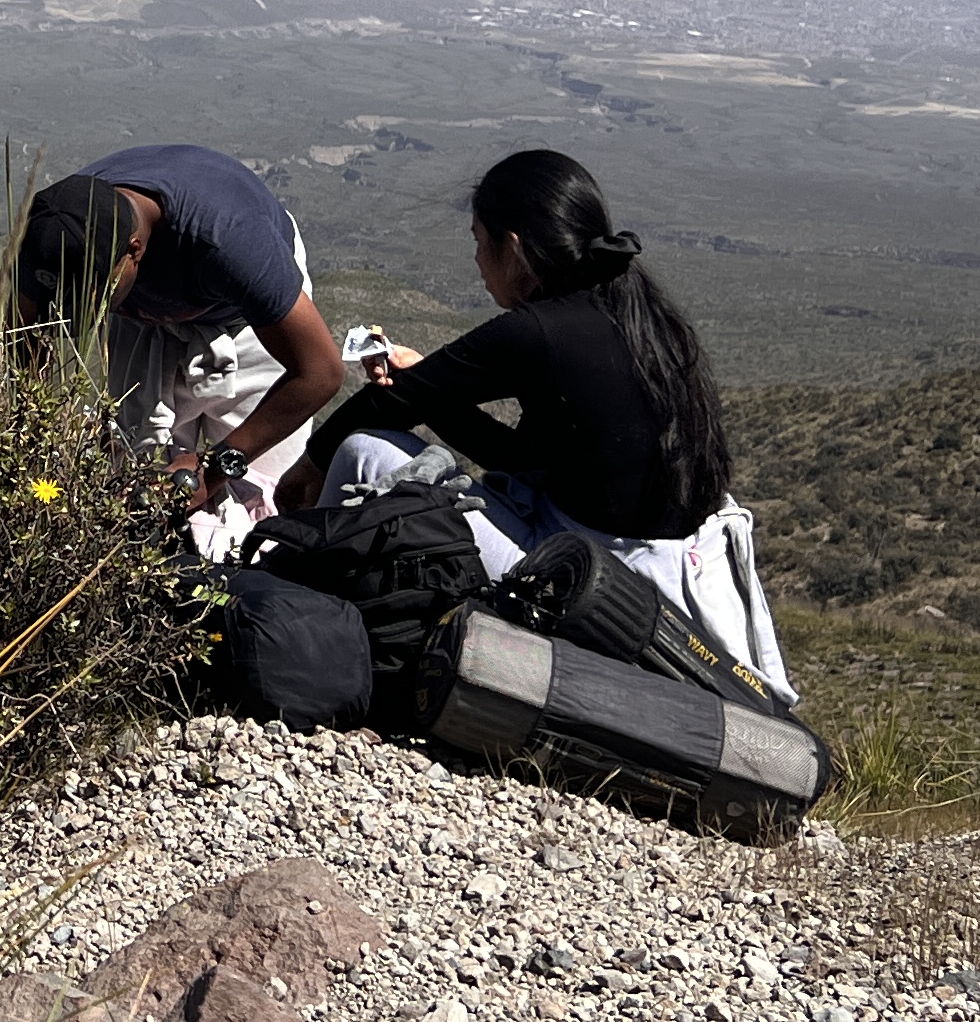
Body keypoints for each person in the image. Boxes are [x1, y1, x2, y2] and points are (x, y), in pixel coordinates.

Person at [313, 148, 789, 689]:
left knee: (363, 451)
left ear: (513, 249)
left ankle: (305, 619)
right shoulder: (643, 314)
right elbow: (521, 459)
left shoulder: (538, 331)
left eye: (478, 240)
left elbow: (381, 408)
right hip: (679, 586)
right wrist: (428, 390)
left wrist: (307, 465)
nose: (476, 259)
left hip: (593, 586)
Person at [14, 143, 344, 545]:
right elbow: (24, 341)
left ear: (133, 251)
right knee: (132, 475)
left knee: (270, 492)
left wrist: (210, 473)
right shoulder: (57, 232)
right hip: (150, 316)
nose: (81, 311)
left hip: (246, 321)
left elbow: (321, 373)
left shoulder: (227, 239)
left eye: (95, 296)